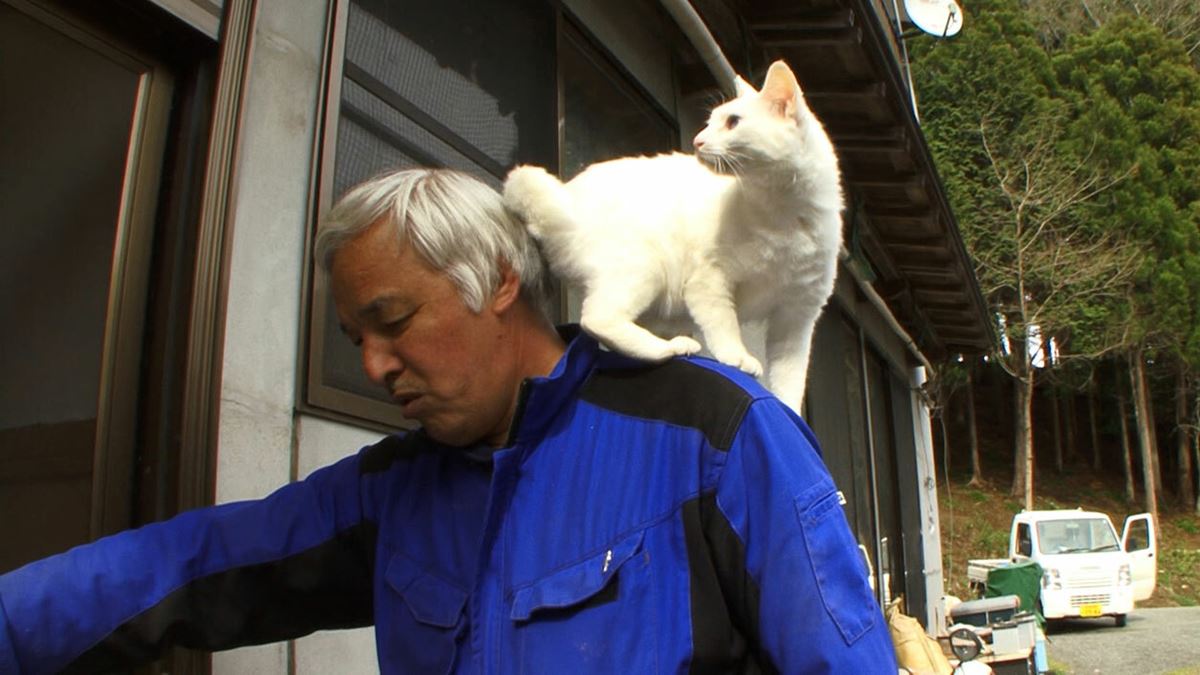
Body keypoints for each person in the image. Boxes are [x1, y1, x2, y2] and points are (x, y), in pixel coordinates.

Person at [0, 168, 897, 673]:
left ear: (499, 281)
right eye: (356, 339)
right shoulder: (395, 490)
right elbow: (193, 562)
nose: (374, 365)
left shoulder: (715, 432)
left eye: (393, 321)